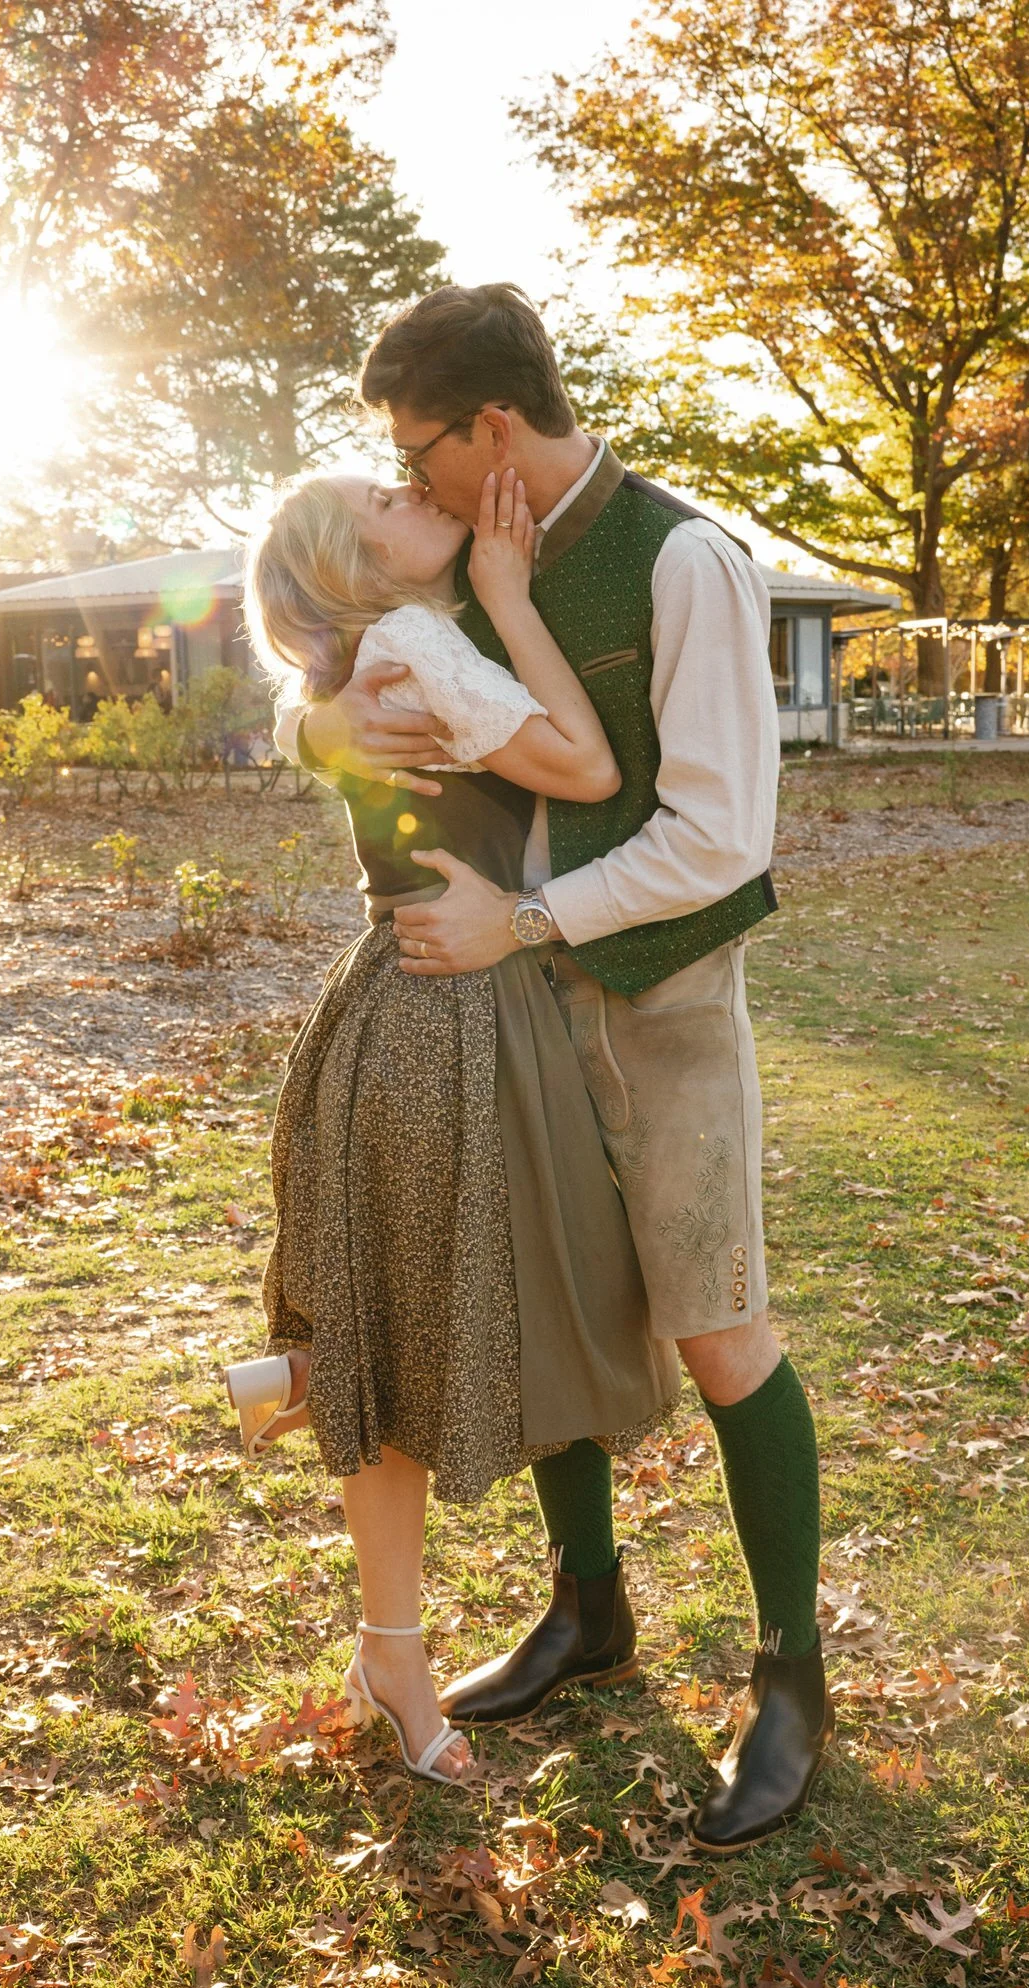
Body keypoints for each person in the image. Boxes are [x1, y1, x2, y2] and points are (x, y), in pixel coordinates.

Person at [280, 283, 829, 1854]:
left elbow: (719, 831)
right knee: (541, 1302)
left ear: (489, 429)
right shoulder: (461, 568)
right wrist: (323, 738)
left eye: (413, 449)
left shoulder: (683, 560)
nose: (409, 478)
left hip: (649, 994)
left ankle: (789, 1676)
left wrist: (528, 918)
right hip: (500, 1011)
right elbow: (355, 677)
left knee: (716, 1318)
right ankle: (588, 1608)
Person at [232, 461, 678, 1787]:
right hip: (439, 1013)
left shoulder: (395, 647)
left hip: (412, 997)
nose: (409, 487)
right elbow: (587, 764)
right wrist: (497, 587)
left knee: (409, 1323)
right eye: (379, 495)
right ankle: (395, 1655)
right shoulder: (420, 635)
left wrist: (479, 603)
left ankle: (307, 1402)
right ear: (351, 563)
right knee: (410, 1341)